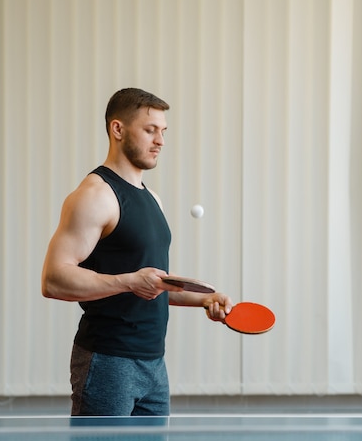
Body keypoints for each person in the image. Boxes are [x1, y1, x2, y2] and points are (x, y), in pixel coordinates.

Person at [41, 88, 232, 416]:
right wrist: (130, 281)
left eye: (163, 131)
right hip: (108, 363)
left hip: (154, 365)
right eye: (150, 130)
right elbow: (54, 279)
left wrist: (205, 296)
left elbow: (151, 285)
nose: (160, 140)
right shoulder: (95, 195)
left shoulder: (152, 199)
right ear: (117, 129)